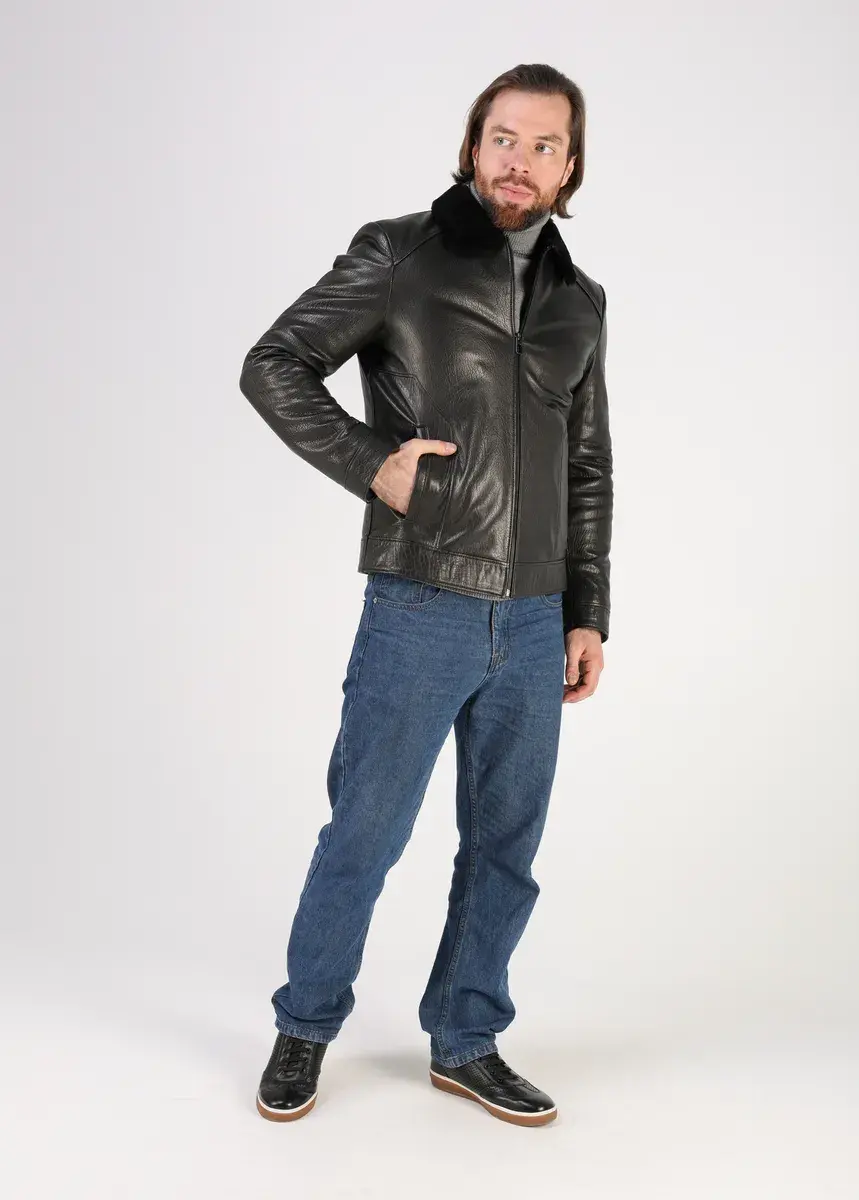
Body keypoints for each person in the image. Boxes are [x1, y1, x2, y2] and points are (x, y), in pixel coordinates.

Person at [239, 62, 613, 1128]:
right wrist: (376, 467)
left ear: (570, 168)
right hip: (420, 601)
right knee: (364, 831)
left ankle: (467, 1039)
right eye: (504, 138)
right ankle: (306, 1025)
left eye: (544, 146)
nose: (520, 162)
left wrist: (587, 611)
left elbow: (588, 466)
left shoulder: (580, 301)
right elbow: (274, 363)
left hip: (535, 618)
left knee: (506, 849)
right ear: (472, 145)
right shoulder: (398, 253)